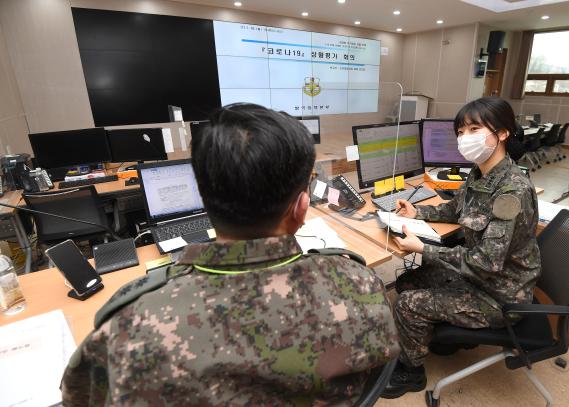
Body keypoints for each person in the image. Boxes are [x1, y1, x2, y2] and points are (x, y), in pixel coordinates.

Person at [61, 103, 400, 406]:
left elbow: (78, 396)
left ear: (204, 200)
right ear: (301, 208)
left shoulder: (129, 329)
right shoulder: (362, 285)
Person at [381, 97, 541, 399]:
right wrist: (419, 213)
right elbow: (457, 210)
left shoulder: (512, 191)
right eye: (461, 131)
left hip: (500, 294)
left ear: (503, 132)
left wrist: (423, 249)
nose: (465, 138)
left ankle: (411, 372)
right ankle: (446, 337)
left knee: (407, 304)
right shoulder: (480, 173)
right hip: (480, 278)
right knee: (407, 282)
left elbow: (486, 262)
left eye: (474, 128)